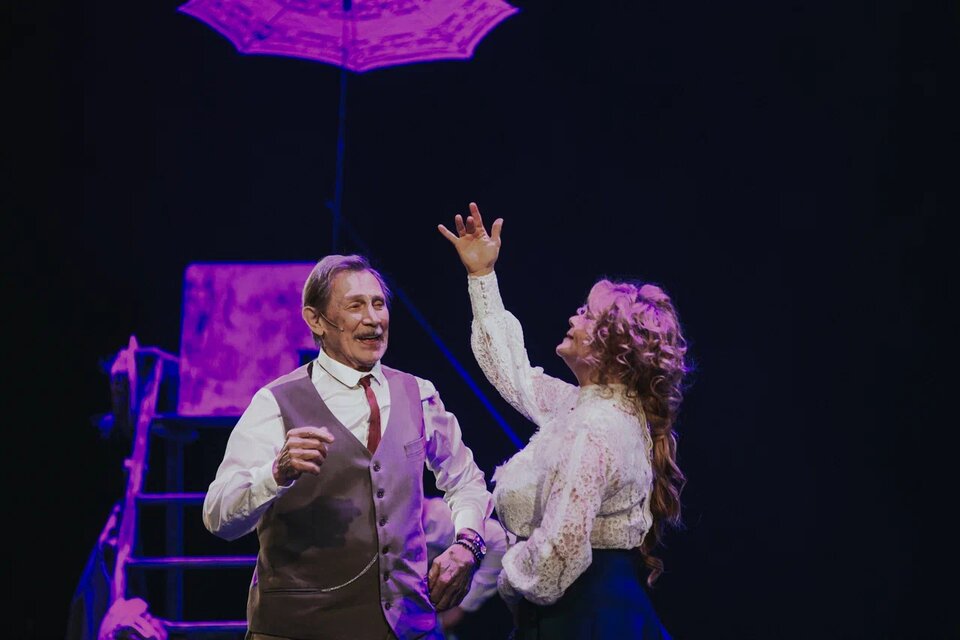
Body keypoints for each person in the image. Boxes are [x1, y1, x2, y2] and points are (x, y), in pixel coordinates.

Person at [202, 255, 494, 640]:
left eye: (378, 304)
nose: (373, 319)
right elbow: (218, 516)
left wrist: (468, 543)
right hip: (300, 629)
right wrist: (275, 475)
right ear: (316, 320)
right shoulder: (276, 402)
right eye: (355, 305)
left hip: (406, 628)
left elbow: (465, 480)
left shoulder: (418, 394)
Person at [438, 204, 689, 639]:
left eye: (587, 315)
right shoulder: (589, 407)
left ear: (613, 346)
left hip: (580, 618)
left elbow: (560, 552)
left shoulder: (595, 427)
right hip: (587, 611)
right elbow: (515, 374)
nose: (573, 318)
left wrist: (507, 579)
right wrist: (482, 277)